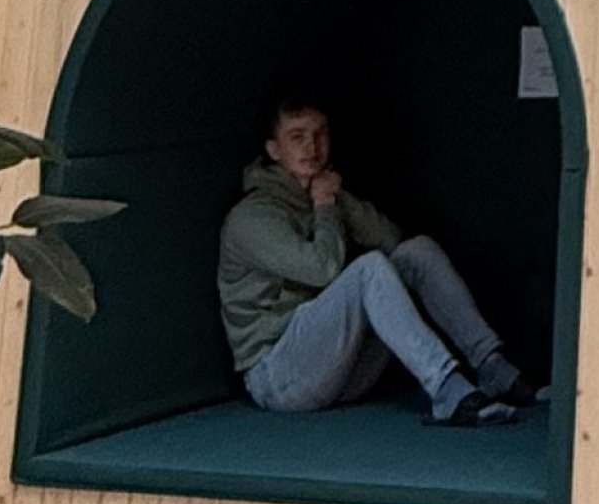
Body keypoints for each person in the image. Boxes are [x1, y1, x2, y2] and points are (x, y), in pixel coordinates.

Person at [219, 97, 524, 425]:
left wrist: (335, 198)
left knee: (417, 252)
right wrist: (325, 204)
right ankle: (447, 390)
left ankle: (493, 367)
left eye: (320, 134)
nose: (312, 147)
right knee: (369, 269)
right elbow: (323, 270)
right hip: (277, 377)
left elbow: (391, 238)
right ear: (274, 149)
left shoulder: (321, 192)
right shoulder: (252, 217)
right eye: (297, 136)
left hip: (339, 371)